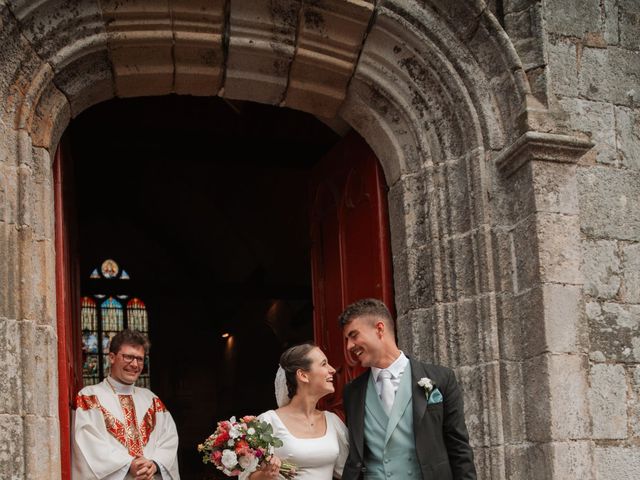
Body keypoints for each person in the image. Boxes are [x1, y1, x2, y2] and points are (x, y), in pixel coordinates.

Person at [339, 298, 477, 480]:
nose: (349, 346)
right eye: (347, 339)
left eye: (354, 335)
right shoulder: (352, 392)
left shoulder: (441, 378)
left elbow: (458, 447)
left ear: (380, 329)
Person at [72, 329, 180, 479]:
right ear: (112, 357)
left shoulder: (152, 400)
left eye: (140, 359)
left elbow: (169, 438)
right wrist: (128, 465)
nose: (135, 364)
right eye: (128, 357)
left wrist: (154, 464)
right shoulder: (89, 397)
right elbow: (87, 442)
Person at [251, 343, 349, 479]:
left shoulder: (332, 421)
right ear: (303, 375)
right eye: (324, 364)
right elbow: (247, 475)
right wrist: (265, 474)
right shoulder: (268, 422)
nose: (332, 369)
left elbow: (351, 471)